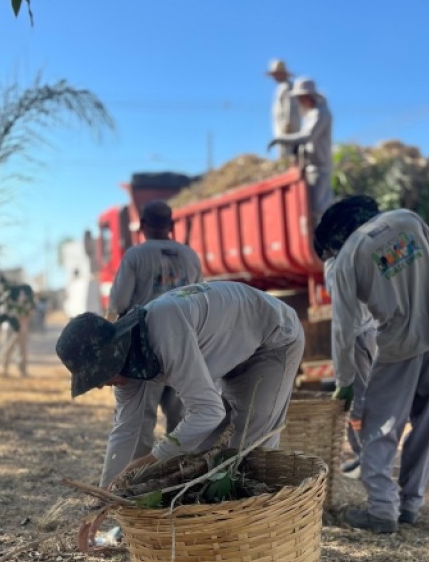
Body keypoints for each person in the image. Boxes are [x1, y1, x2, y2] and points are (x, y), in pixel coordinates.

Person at [56, 281, 305, 488]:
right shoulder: (127, 362)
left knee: (249, 452)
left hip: (274, 336)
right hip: (237, 346)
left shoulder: (164, 330)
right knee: (203, 458)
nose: (100, 385)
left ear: (110, 358)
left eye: (97, 376)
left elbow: (208, 412)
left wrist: (152, 459)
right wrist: (105, 495)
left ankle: (263, 524)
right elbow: (125, 430)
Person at [315, 196, 429, 534]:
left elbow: (343, 328)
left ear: (335, 236)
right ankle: (410, 505)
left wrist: (344, 380)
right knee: (427, 424)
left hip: (399, 343)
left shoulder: (348, 257)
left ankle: (381, 510)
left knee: (379, 427)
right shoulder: (406, 218)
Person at [106, 200, 204, 463]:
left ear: (143, 225)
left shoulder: (136, 256)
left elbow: (119, 304)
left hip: (145, 347)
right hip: (185, 344)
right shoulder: (190, 256)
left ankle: (135, 477)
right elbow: (201, 299)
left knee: (139, 419)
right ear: (171, 225)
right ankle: (177, 473)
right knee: (181, 417)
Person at [323, 256, 378, 477]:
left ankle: (368, 459)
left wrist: (342, 380)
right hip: (368, 330)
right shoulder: (359, 255)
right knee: (362, 397)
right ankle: (365, 456)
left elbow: (342, 326)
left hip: (356, 335)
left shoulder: (337, 265)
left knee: (356, 401)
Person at [267, 77, 333, 218]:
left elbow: (306, 137)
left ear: (309, 96)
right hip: (312, 167)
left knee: (319, 210)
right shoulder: (311, 115)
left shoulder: (321, 114)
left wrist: (280, 139)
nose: (299, 102)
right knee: (311, 210)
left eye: (301, 98)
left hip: (319, 168)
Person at [265, 58, 300, 160]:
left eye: (277, 74)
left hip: (287, 129)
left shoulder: (287, 87)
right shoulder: (282, 87)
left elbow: (289, 107)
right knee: (284, 153)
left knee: (287, 155)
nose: (275, 77)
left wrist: (287, 124)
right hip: (283, 129)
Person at [0, 282, 35, 377]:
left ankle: (22, 371)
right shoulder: (8, 296)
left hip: (22, 326)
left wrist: (24, 321)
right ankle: (5, 369)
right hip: (9, 326)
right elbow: (3, 312)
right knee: (7, 348)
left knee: (22, 349)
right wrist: (12, 320)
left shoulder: (27, 299)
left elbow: (30, 312)